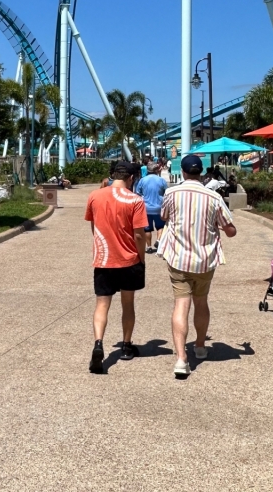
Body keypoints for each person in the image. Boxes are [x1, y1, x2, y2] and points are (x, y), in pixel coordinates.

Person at [157, 153, 236, 378]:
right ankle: (200, 346)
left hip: (178, 259)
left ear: (182, 172)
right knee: (201, 302)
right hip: (205, 260)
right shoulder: (213, 197)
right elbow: (230, 230)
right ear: (201, 172)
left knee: (181, 304)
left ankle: (182, 359)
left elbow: (164, 217)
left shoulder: (172, 193)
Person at [84, 160, 147, 373]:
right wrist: (141, 257)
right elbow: (139, 234)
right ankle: (127, 346)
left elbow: (94, 227)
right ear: (131, 178)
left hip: (104, 259)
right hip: (128, 259)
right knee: (127, 304)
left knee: (102, 304)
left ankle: (98, 343)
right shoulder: (135, 200)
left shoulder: (95, 196)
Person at [136, 161, 168, 252]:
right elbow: (167, 192)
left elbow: (138, 193)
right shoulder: (161, 180)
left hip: (146, 208)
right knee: (160, 227)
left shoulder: (143, 180)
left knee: (147, 229)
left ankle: (149, 247)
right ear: (156, 170)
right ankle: (158, 240)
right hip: (159, 207)